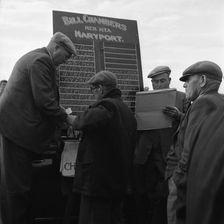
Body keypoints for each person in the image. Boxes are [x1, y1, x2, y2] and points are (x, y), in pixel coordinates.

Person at [0, 32, 77, 224]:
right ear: (55, 47)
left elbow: (43, 99)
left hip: (15, 131)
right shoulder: (42, 61)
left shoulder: (36, 58)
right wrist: (68, 120)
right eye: (66, 56)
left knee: (16, 187)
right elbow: (44, 101)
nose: (65, 61)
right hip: (17, 132)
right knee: (17, 189)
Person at [71, 70, 137, 224]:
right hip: (117, 181)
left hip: (99, 183)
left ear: (100, 88)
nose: (93, 93)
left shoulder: (107, 106)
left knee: (93, 218)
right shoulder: (126, 110)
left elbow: (83, 122)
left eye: (93, 89)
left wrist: (65, 117)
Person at [166, 60, 223, 224]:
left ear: (203, 80)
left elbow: (189, 150)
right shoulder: (218, 102)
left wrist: (177, 179)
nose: (184, 86)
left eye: (188, 80)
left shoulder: (202, 103)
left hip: (186, 182)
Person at [134, 66, 188, 224]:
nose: (158, 84)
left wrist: (179, 115)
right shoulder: (145, 97)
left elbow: (192, 122)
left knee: (163, 195)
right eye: (155, 82)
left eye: (162, 80)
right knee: (144, 193)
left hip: (166, 154)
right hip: (145, 154)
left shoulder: (182, 97)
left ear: (169, 80)